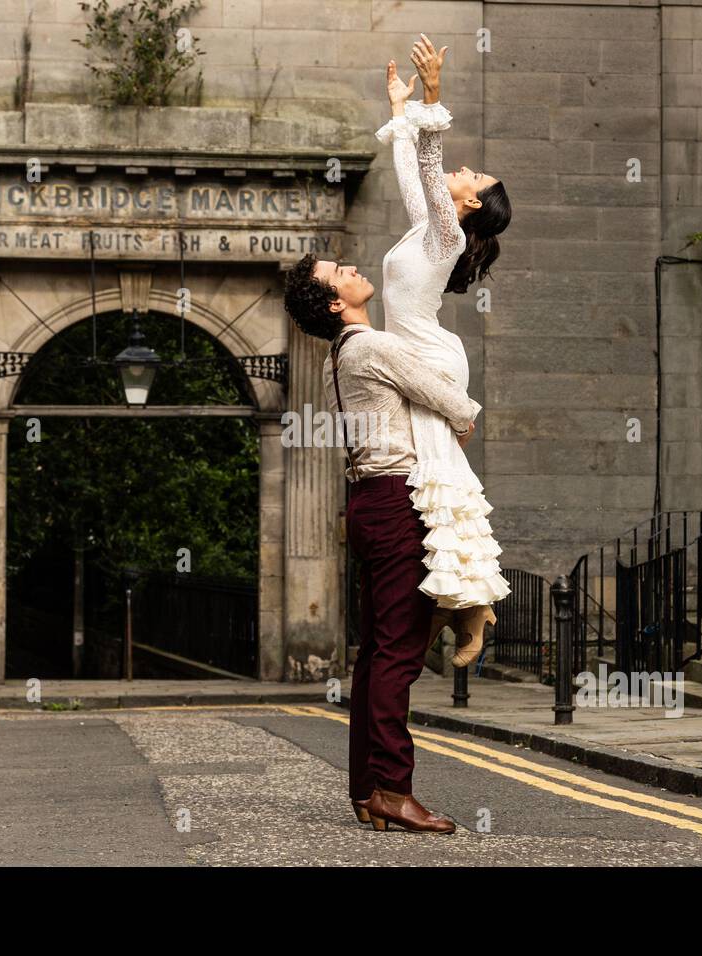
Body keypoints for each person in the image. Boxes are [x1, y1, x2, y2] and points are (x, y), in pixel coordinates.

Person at [283, 251, 475, 834]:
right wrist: (463, 418)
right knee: (398, 652)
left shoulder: (334, 360)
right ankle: (393, 788)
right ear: (336, 303)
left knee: (374, 652)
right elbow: (451, 400)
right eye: (338, 272)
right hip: (396, 501)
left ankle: (367, 787)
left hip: (367, 503)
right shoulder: (372, 346)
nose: (351, 268)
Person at [377, 36, 512, 668]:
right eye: (467, 168)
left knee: (441, 481)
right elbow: (415, 175)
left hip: (425, 357)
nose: (465, 170)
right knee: (437, 483)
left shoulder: (448, 233)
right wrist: (401, 109)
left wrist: (433, 97)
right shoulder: (428, 229)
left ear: (472, 202)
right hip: (421, 350)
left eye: (474, 175)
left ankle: (471, 612)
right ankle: (459, 606)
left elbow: (431, 171)